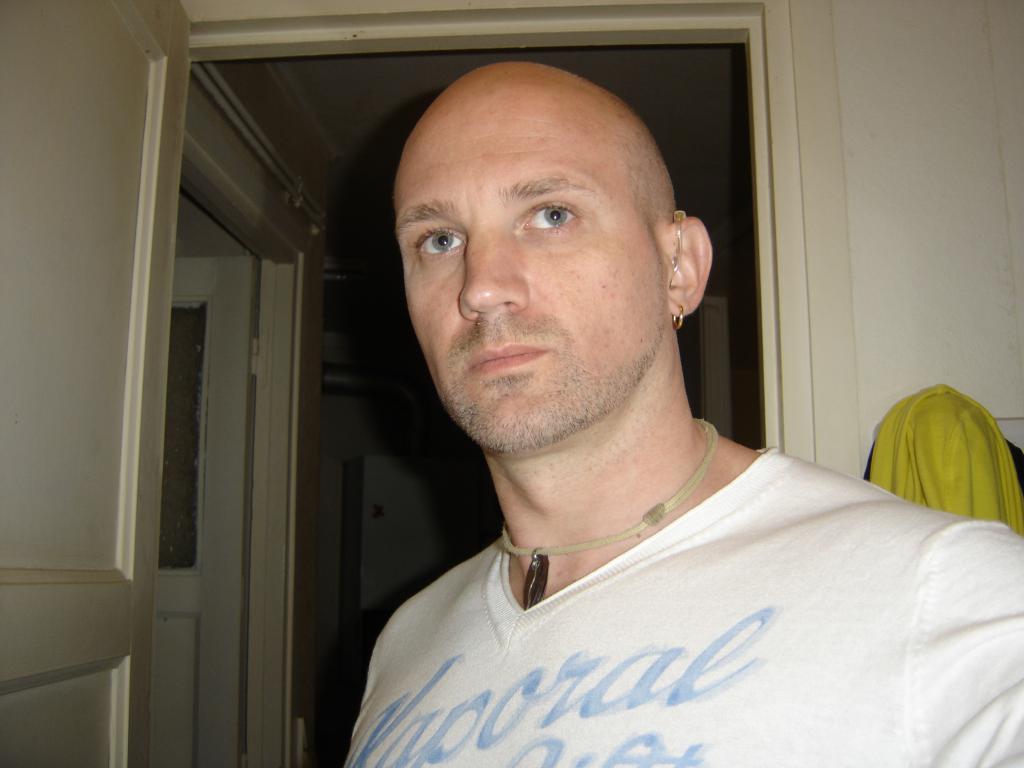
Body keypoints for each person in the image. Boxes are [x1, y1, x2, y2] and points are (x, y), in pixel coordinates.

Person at [346, 62, 1024, 767]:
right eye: (439, 240)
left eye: (551, 215)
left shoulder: (940, 594)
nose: (482, 287)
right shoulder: (406, 642)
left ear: (681, 268)